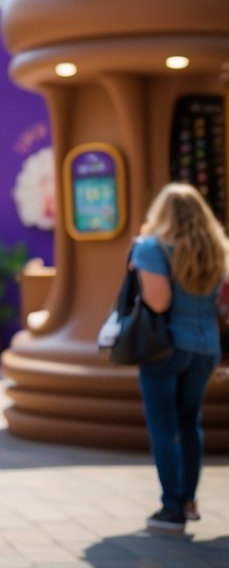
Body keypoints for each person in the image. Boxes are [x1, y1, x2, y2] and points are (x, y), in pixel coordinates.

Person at [131, 183, 229, 534]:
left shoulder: (152, 248)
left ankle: (171, 509)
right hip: (206, 348)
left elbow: (158, 302)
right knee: (191, 421)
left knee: (163, 425)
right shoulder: (218, 249)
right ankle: (188, 501)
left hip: (166, 348)